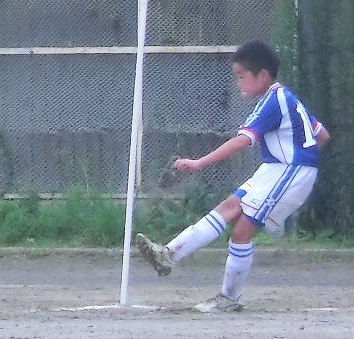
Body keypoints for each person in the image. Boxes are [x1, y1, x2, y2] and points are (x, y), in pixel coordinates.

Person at [136, 40, 330, 313]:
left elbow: (242, 140)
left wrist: (199, 162)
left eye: (241, 76)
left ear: (262, 75)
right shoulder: (286, 99)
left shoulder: (273, 101)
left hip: (287, 170)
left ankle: (229, 298)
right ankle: (168, 254)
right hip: (281, 169)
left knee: (241, 232)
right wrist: (304, 159)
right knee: (229, 207)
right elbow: (322, 135)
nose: (238, 83)